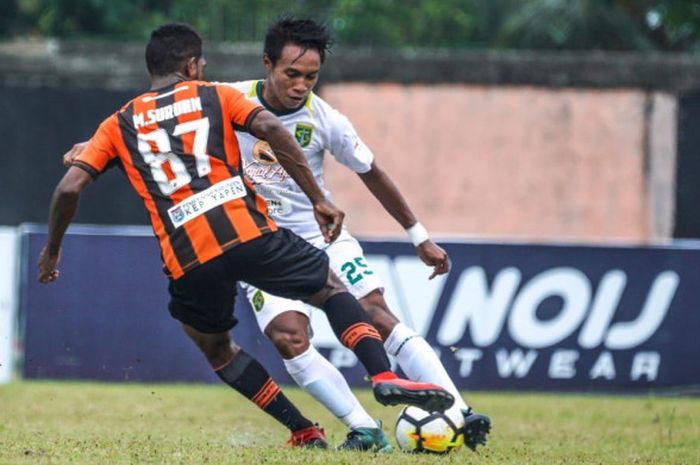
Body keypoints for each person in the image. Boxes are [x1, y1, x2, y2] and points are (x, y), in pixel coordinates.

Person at [39, 23, 455, 450]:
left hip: (188, 257)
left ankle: (304, 429)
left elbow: (69, 188)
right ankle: (382, 375)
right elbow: (273, 129)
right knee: (330, 288)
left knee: (216, 348)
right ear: (192, 65)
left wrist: (53, 251)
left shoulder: (120, 122)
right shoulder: (214, 95)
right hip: (248, 232)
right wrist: (319, 198)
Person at [226, 17, 491, 452]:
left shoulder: (325, 119)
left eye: (311, 77)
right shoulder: (229, 98)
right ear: (267, 64)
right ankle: (365, 429)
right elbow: (160, 110)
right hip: (261, 243)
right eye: (291, 74)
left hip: (320, 236)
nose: (300, 85)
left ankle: (460, 413)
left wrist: (418, 235)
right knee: (289, 337)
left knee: (375, 313)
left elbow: (373, 174)